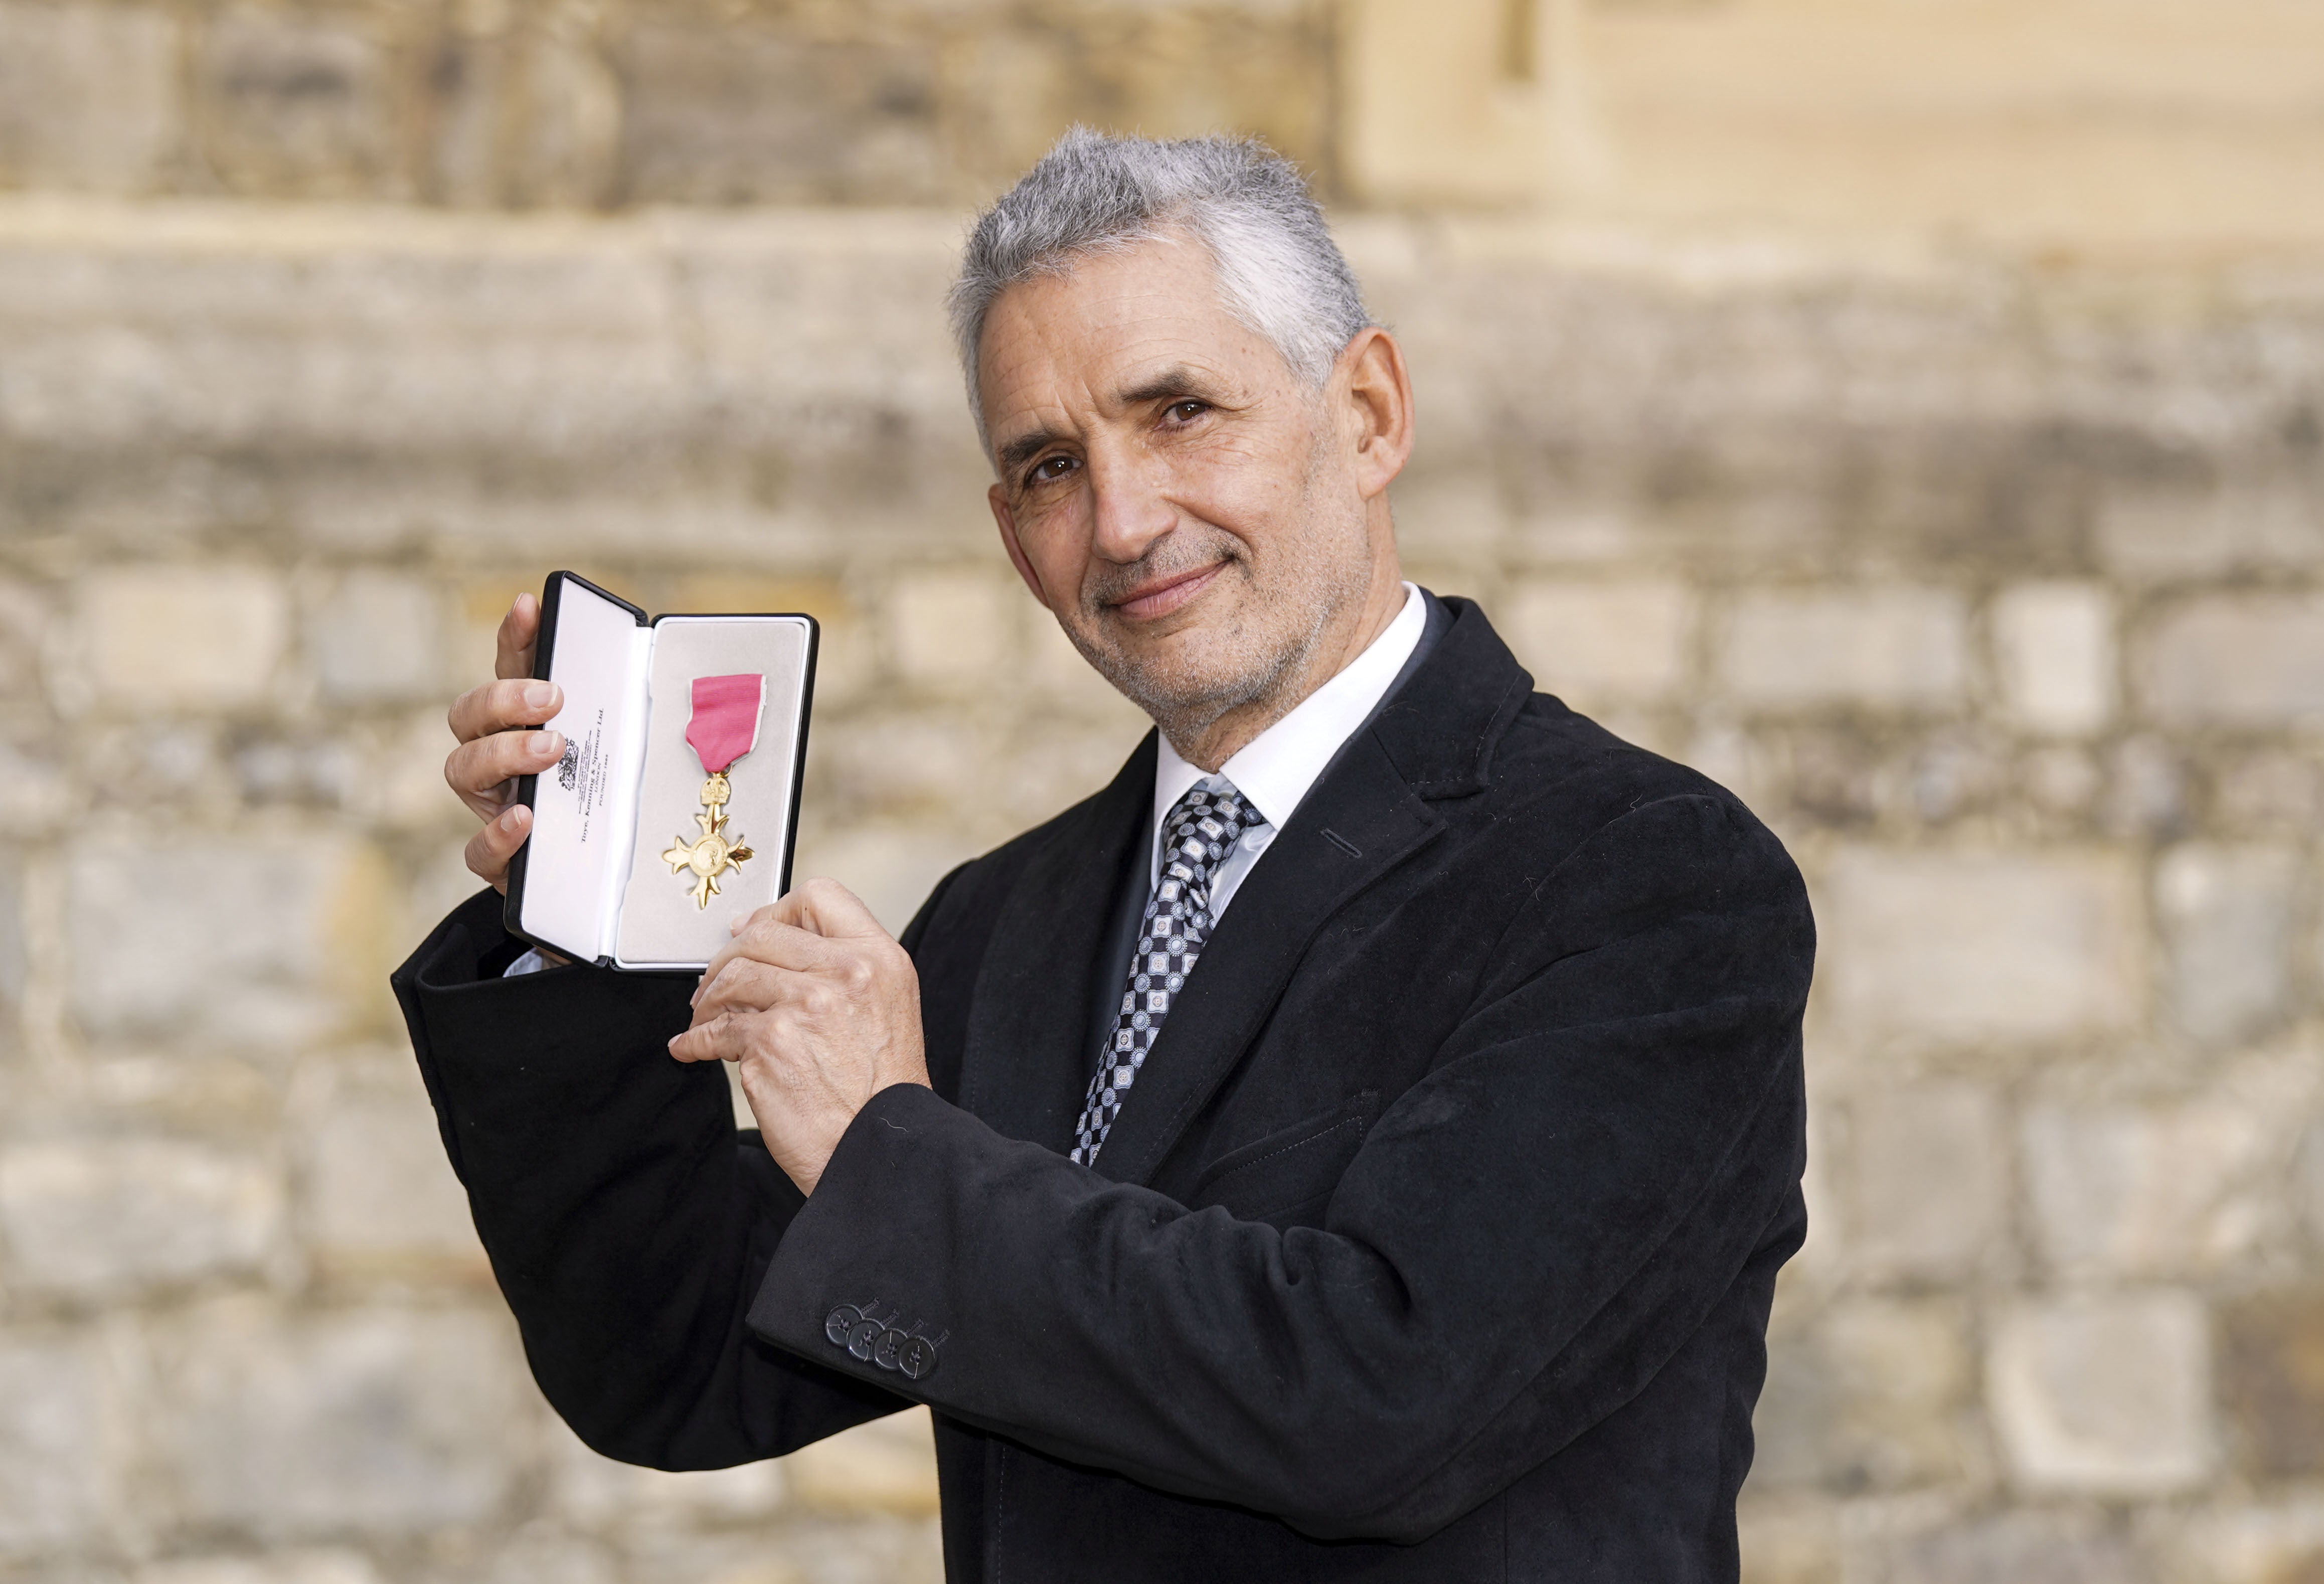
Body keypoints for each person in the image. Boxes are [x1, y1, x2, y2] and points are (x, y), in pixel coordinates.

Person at [398, 129, 1814, 1582]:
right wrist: (575, 916)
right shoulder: (1012, 921)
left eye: (1182, 411)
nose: (1124, 523)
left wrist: (888, 1153)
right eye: (1050, 467)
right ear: (1010, 536)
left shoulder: (1644, 877)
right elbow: (675, 1365)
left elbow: (1383, 1402)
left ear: (1369, 412)